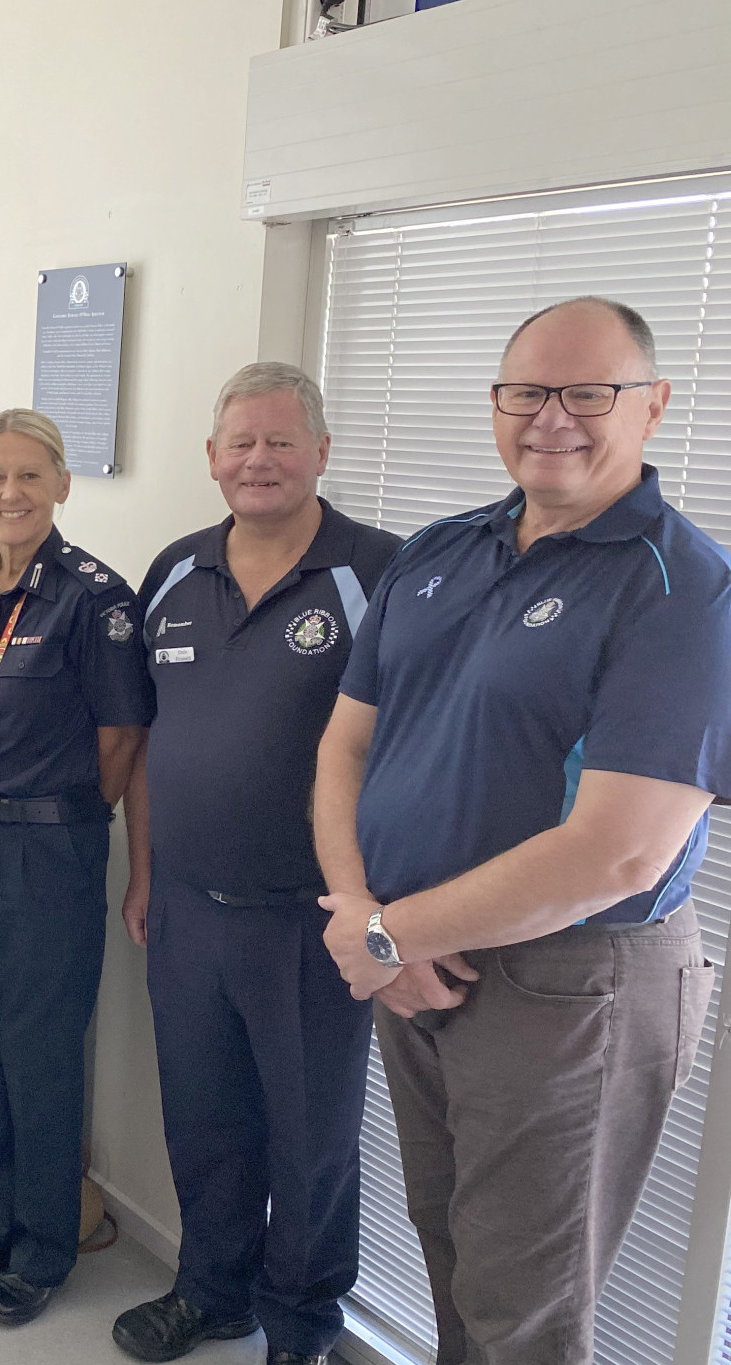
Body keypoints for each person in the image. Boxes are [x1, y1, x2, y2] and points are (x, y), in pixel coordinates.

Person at [316, 297, 731, 1365]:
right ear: (494, 405)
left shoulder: (684, 589)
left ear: (651, 407)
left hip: (567, 984)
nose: (552, 418)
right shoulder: (438, 552)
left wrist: (381, 938)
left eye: (588, 392)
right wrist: (369, 920)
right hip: (411, 961)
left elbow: (618, 852)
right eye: (525, 392)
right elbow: (345, 750)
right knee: (450, 1252)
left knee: (526, 1309)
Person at [110, 364, 401, 1365]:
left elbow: (407, 757)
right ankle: (211, 1293)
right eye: (239, 442)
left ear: (319, 452)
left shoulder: (380, 575)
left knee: (310, 1145)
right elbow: (147, 742)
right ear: (210, 458)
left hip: (309, 924)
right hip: (185, 912)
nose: (257, 460)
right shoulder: (173, 572)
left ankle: (302, 1330)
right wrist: (143, 875)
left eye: (279, 441)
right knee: (203, 1123)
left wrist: (378, 909)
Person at [0, 408, 152, 1325]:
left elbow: (122, 736)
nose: (8, 494)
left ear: (60, 484)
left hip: (47, 850)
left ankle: (47, 1242)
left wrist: (48, 813)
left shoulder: (96, 597)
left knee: (41, 1049)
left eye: (27, 476)